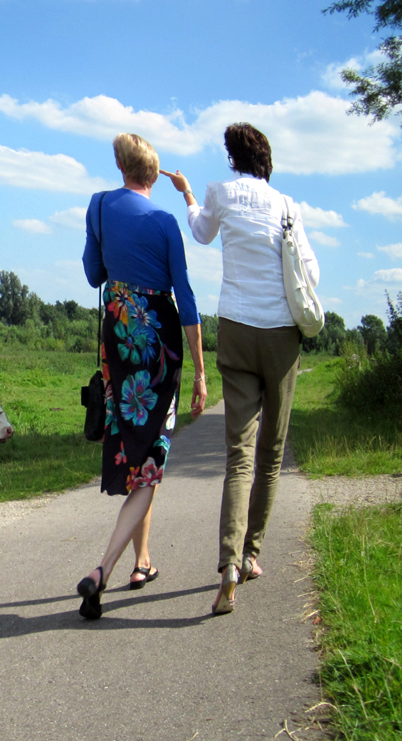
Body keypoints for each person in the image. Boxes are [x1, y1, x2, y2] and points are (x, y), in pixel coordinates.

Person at [161, 122, 319, 615]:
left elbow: (201, 233)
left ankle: (227, 564)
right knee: (271, 454)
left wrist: (187, 194)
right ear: (266, 159)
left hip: (235, 327)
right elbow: (309, 272)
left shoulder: (220, 194)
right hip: (280, 336)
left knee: (239, 455)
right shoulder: (288, 205)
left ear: (231, 157)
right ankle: (251, 556)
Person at [77, 133, 207, 620]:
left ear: (119, 165)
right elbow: (187, 299)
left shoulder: (98, 205)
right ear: (154, 176)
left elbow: (94, 274)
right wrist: (199, 370)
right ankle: (102, 570)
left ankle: (142, 562)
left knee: (138, 445)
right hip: (159, 341)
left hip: (119, 332)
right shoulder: (167, 221)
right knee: (152, 454)